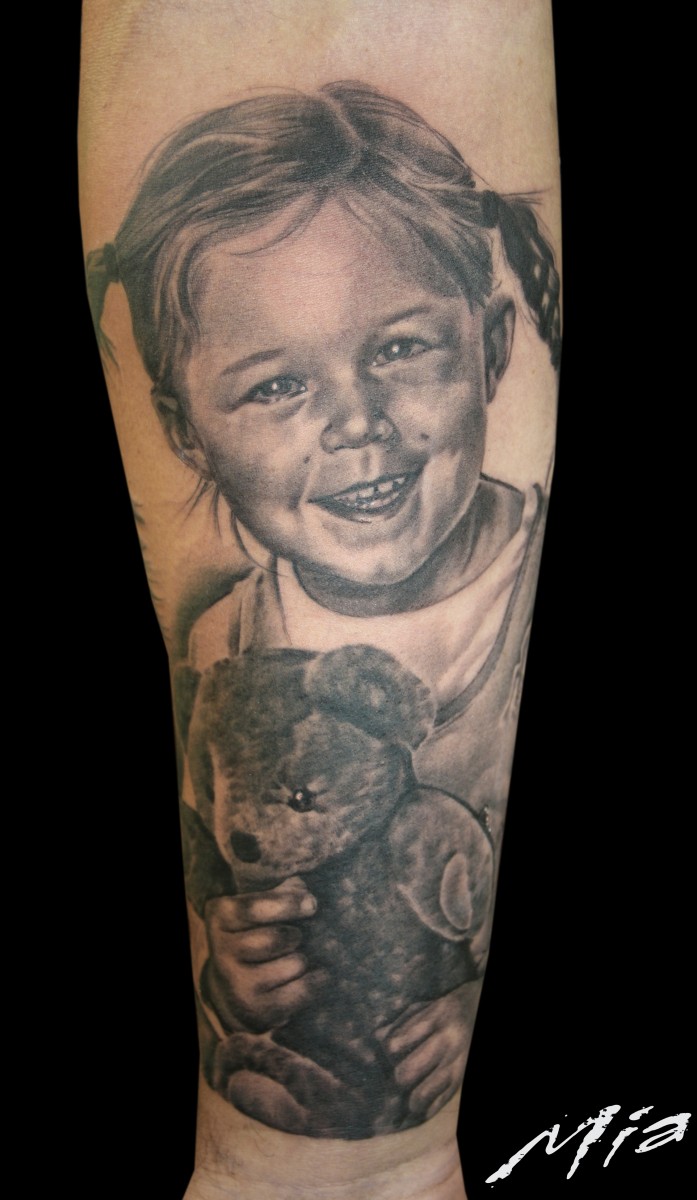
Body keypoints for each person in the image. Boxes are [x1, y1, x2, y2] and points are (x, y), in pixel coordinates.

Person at [81, 6, 560, 1192]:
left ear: (493, 343)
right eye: (275, 386)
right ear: (185, 429)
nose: (355, 423)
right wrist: (237, 975)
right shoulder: (228, 645)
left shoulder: (523, 584)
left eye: (399, 349)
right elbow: (240, 874)